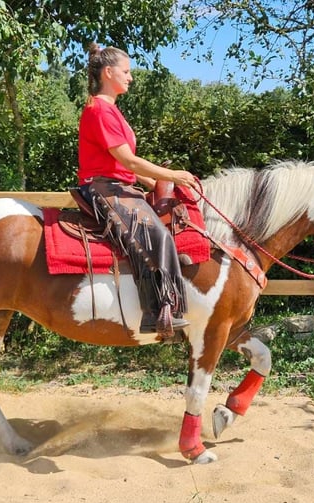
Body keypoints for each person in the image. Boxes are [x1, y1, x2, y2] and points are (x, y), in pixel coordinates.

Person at [77, 43, 199, 338]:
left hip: (117, 185)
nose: (130, 77)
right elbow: (127, 159)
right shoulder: (100, 110)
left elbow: (121, 165)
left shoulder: (110, 110)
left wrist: (150, 182)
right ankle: (157, 311)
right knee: (155, 233)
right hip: (104, 189)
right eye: (126, 71)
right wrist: (172, 175)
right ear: (109, 72)